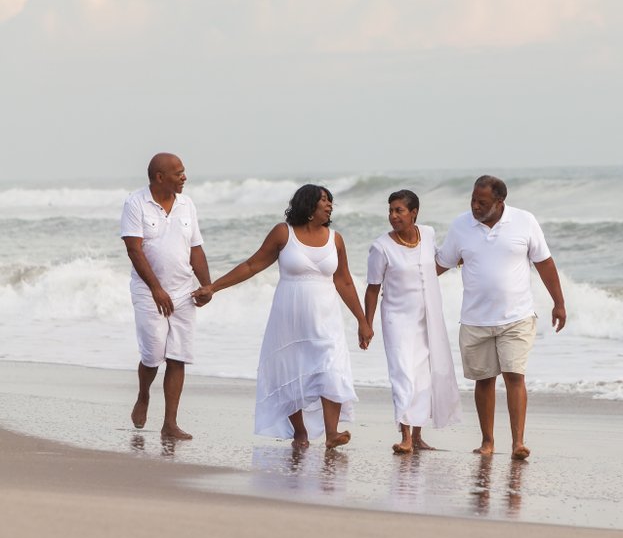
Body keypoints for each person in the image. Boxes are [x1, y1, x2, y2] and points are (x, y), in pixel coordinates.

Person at [192, 184, 373, 449]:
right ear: (308, 205)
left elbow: (344, 281)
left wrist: (362, 320)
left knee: (332, 370)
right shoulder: (283, 233)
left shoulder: (335, 239)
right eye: (324, 200)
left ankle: (332, 433)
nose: (329, 205)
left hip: (326, 319)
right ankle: (299, 432)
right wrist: (213, 287)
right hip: (288, 319)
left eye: (330, 201)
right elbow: (252, 265)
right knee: (290, 372)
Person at [436, 175, 566, 460]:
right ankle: (487, 442)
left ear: (499, 202)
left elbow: (544, 263)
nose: (475, 207)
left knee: (514, 376)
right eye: (472, 200)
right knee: (484, 380)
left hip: (516, 317)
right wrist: (403, 284)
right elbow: (440, 264)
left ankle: (518, 442)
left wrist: (559, 302)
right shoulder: (461, 226)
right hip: (475, 319)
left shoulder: (524, 221)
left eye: (482, 202)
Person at [121, 152, 212, 440]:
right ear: (160, 177)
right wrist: (156, 289)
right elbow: (134, 249)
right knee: (154, 354)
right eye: (179, 173)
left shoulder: (187, 204)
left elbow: (195, 248)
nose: (184, 177)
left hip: (184, 290)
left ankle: (169, 424)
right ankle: (144, 393)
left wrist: (206, 285)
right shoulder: (136, 203)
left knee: (178, 356)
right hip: (149, 291)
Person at [364, 190, 461, 454]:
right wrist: (366, 324)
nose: (393, 216)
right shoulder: (381, 247)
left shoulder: (427, 234)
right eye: (391, 210)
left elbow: (438, 261)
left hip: (428, 316)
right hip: (396, 319)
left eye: (399, 210)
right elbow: (372, 288)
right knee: (403, 374)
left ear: (414, 212)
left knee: (425, 377)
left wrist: (462, 256)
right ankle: (405, 436)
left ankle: (417, 437)